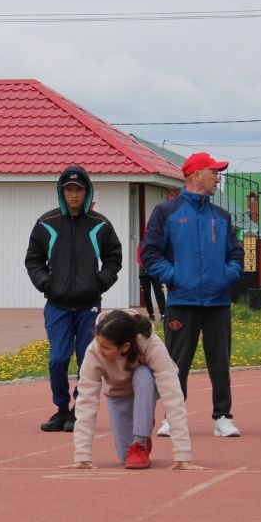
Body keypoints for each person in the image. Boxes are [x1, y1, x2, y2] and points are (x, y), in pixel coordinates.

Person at [141, 152, 243, 438]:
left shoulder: (221, 216)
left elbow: (236, 253)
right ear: (197, 174)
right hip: (181, 303)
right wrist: (175, 278)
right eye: (214, 171)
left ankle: (223, 416)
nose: (218, 177)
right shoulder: (166, 212)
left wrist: (226, 277)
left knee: (220, 361)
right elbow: (149, 254)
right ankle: (172, 417)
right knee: (175, 362)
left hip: (217, 302)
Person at [25, 165, 123, 433]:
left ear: (86, 191)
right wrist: (46, 284)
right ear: (61, 192)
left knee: (87, 359)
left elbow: (114, 258)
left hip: (88, 306)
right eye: (69, 189)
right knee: (58, 359)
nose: (74, 195)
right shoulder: (47, 223)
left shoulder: (100, 225)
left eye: (78, 190)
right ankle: (61, 409)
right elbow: (33, 259)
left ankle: (79, 410)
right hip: (56, 305)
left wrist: (99, 283)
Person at [66, 309, 201, 471]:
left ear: (125, 347)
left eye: (106, 348)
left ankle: (140, 439)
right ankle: (142, 425)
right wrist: (82, 455)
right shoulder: (94, 351)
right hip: (118, 393)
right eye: (98, 343)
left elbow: (172, 396)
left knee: (143, 374)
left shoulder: (150, 343)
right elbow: (86, 401)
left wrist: (183, 454)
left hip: (147, 385)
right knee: (125, 458)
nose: (100, 350)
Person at [137, 242, 167, 321]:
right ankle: (151, 314)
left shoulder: (157, 244)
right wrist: (146, 267)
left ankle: (163, 314)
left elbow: (160, 256)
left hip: (155, 272)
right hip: (144, 273)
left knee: (159, 293)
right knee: (146, 294)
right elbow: (139, 258)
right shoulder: (141, 244)